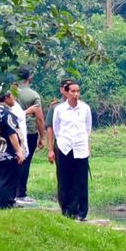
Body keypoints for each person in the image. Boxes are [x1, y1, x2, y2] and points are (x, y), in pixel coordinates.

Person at [53, 81, 92, 220]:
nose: (75, 94)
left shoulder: (85, 108)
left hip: (80, 147)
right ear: (66, 92)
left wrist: (86, 145)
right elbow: (56, 129)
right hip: (65, 147)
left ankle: (81, 212)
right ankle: (67, 210)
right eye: (72, 91)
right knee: (65, 180)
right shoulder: (59, 109)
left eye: (78, 91)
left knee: (81, 181)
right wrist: (63, 142)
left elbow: (88, 128)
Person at [15, 66, 45, 203]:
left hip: (13, 131)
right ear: (29, 79)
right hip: (29, 131)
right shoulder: (34, 95)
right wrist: (42, 136)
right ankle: (21, 193)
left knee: (14, 161)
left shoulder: (10, 92)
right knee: (25, 162)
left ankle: (12, 191)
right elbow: (39, 117)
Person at [0, 90, 25, 208]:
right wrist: (19, 151)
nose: (15, 98)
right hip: (8, 150)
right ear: (6, 97)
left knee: (2, 177)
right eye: (13, 96)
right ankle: (6, 203)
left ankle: (0, 202)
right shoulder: (7, 114)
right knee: (9, 179)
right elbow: (12, 133)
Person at [46, 79, 72, 208]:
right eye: (66, 88)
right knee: (62, 177)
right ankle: (65, 207)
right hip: (61, 146)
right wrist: (50, 149)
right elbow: (50, 128)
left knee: (77, 177)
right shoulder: (55, 107)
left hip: (76, 147)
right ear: (62, 90)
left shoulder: (81, 106)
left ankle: (76, 206)